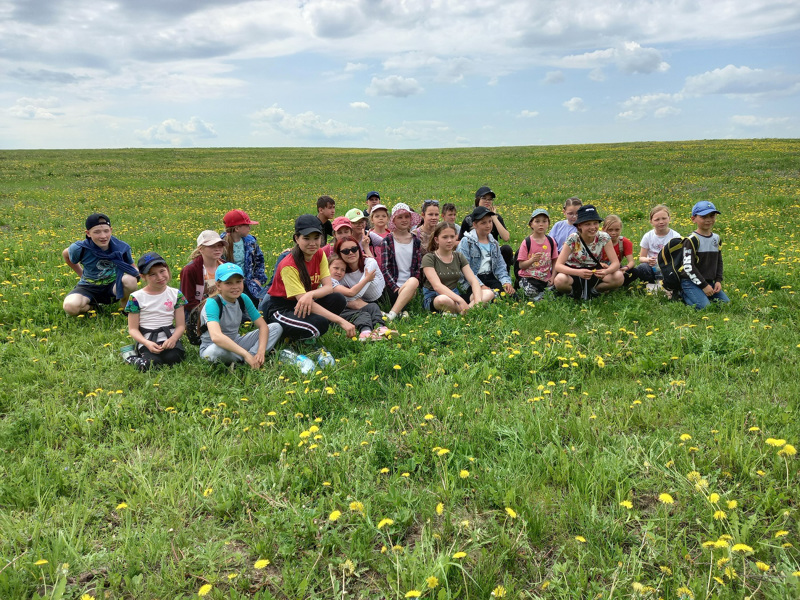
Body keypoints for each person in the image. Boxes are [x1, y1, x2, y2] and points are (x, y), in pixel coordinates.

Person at [263, 215, 356, 340]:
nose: (312, 243)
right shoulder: (288, 265)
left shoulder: (319, 254)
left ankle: (307, 330)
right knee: (320, 324)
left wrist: (309, 294)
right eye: (306, 238)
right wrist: (341, 321)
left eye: (316, 238)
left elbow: (328, 288)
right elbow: (306, 302)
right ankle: (289, 337)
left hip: (303, 304)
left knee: (338, 299)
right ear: (297, 238)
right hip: (281, 309)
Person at [198, 263, 282, 368]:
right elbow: (216, 337)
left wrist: (261, 351)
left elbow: (263, 326)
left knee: (276, 327)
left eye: (238, 282)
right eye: (228, 283)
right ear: (218, 285)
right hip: (213, 347)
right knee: (216, 351)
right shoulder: (212, 303)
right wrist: (245, 354)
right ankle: (246, 358)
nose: (235, 287)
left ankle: (252, 357)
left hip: (236, 342)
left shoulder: (243, 298)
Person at [62, 213, 139, 316]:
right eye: (97, 232)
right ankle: (92, 306)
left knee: (130, 280)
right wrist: (80, 274)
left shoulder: (122, 248)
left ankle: (125, 307)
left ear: (111, 230)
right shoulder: (80, 248)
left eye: (106, 231)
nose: (103, 236)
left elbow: (133, 268)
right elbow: (65, 254)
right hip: (88, 287)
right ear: (88, 233)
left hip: (112, 286)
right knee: (70, 307)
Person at [124, 252, 187, 372]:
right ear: (143, 277)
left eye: (162, 271)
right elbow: (133, 329)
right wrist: (146, 343)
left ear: (167, 269)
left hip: (168, 337)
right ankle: (130, 356)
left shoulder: (176, 294)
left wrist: (173, 339)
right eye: (152, 274)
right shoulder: (136, 297)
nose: (160, 277)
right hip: (148, 339)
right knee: (152, 364)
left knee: (175, 358)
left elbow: (181, 325)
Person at [553, 205, 624, 299]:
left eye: (595, 223)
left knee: (619, 277)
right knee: (559, 280)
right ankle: (573, 293)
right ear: (579, 225)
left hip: (594, 271)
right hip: (573, 271)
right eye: (587, 224)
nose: (593, 227)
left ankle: (595, 291)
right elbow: (558, 265)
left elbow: (615, 263)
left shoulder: (604, 237)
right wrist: (578, 272)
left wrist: (606, 271)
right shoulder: (573, 238)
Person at [422, 222, 493, 314]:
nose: (449, 240)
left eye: (452, 237)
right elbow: (437, 286)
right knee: (442, 300)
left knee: (488, 293)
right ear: (436, 240)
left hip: (455, 295)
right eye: (445, 237)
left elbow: (473, 280)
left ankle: (462, 312)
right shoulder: (429, 258)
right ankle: (468, 311)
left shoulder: (458, 256)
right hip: (435, 297)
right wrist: (460, 300)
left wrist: (478, 301)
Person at [328, 251, 392, 341]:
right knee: (362, 315)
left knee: (373, 306)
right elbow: (351, 293)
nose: (339, 272)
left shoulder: (338, 282)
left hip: (345, 308)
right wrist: (366, 279)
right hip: (334, 313)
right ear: (327, 268)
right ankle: (365, 333)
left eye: (343, 270)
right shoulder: (328, 282)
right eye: (336, 268)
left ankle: (380, 327)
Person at [680, 201, 729, 309]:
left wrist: (718, 281)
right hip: (690, 282)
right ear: (693, 219)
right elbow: (688, 267)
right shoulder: (691, 240)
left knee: (725, 304)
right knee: (705, 307)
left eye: (712, 216)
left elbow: (719, 261)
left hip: (709, 282)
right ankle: (682, 294)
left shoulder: (716, 238)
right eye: (703, 216)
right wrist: (704, 286)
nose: (708, 220)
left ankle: (702, 294)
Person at [457, 206, 514, 297]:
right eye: (483, 223)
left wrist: (505, 282)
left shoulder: (493, 243)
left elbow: (500, 265)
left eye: (490, 221)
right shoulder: (466, 242)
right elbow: (465, 269)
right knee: (487, 297)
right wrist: (480, 285)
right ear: (475, 225)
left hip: (490, 276)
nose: (488, 225)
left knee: (510, 296)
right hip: (472, 279)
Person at [380, 203, 422, 321]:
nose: (404, 220)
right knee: (412, 282)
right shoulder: (387, 241)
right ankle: (395, 313)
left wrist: (410, 287)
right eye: (400, 217)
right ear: (393, 220)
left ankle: (393, 313)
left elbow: (417, 268)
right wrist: (396, 288)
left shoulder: (416, 241)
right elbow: (385, 268)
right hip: (393, 288)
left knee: (413, 281)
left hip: (412, 287)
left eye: (407, 216)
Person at [220, 209, 268, 303]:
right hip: (229, 287)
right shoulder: (220, 244)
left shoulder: (251, 242)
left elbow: (259, 261)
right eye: (247, 225)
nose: (249, 228)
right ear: (237, 228)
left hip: (249, 285)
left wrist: (258, 280)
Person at [459, 186, 513, 270]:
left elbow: (506, 237)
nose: (487, 201)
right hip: (475, 255)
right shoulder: (469, 219)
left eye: (490, 199)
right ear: (477, 200)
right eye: (484, 198)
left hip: (492, 252)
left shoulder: (496, 218)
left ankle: (504, 276)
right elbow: (460, 242)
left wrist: (494, 218)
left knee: (506, 249)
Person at [180, 230, 225, 316]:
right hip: (199, 314)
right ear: (201, 249)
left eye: (220, 245)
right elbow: (188, 301)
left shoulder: (226, 266)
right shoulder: (190, 270)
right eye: (212, 246)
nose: (217, 249)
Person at [516, 208, 558, 301]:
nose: (541, 224)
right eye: (537, 221)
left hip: (545, 278)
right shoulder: (527, 242)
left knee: (557, 287)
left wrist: (553, 276)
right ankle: (540, 296)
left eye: (544, 221)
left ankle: (541, 295)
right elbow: (521, 265)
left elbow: (555, 260)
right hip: (528, 277)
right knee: (530, 290)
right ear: (531, 224)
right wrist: (532, 260)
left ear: (548, 224)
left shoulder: (551, 241)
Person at [638, 204, 681, 292]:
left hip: (668, 268)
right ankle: (651, 284)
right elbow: (641, 258)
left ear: (669, 218)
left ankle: (663, 287)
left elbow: (679, 257)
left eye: (664, 218)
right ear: (651, 221)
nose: (661, 222)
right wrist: (648, 260)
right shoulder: (648, 236)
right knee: (642, 268)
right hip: (653, 268)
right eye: (657, 220)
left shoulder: (675, 236)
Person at [600, 215, 653, 288]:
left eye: (617, 230)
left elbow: (631, 262)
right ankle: (611, 284)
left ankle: (617, 284)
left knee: (634, 272)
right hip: (599, 268)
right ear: (603, 230)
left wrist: (626, 268)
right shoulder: (598, 241)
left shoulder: (624, 242)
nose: (613, 233)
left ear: (621, 229)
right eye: (610, 230)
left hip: (616, 269)